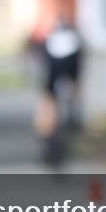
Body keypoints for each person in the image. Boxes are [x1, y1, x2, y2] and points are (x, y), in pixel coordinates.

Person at [33, 18, 83, 166]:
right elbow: (78, 67)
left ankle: (45, 132)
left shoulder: (51, 40)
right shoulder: (73, 40)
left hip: (53, 72)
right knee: (65, 103)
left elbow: (45, 66)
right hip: (69, 70)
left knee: (48, 105)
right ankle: (67, 125)